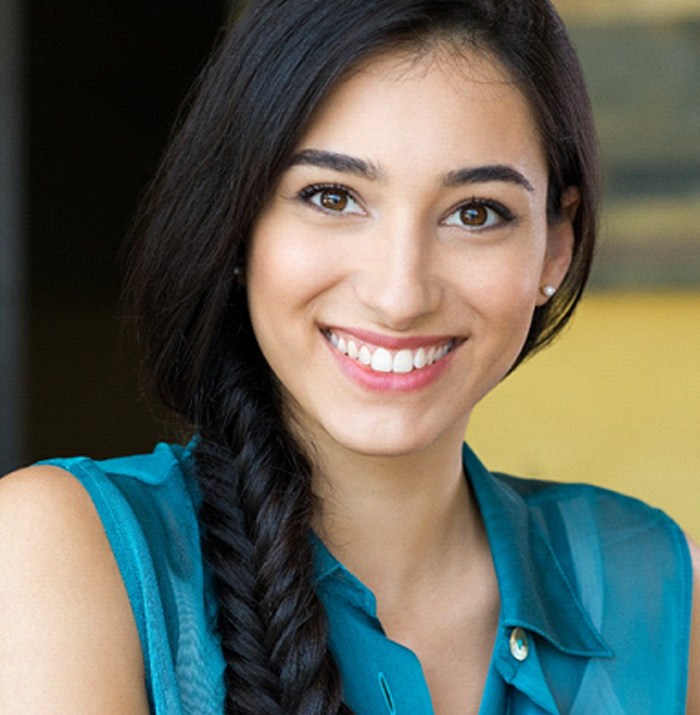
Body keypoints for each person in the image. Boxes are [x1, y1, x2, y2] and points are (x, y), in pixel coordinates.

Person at [0, 0, 697, 712]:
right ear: (238, 222)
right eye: (332, 196)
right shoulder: (64, 555)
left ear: (557, 244)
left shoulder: (660, 588)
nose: (399, 294)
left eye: (476, 212)